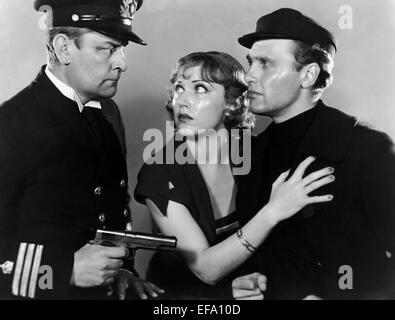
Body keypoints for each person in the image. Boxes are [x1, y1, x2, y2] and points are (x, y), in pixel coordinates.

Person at [134, 51, 335, 299]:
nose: (182, 101)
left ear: (232, 102)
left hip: (250, 286)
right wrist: (273, 212)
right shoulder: (160, 170)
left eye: (199, 88)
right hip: (183, 296)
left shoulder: (251, 149)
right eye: (179, 88)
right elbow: (206, 269)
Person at [0, 0, 162, 299]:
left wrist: (122, 270)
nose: (122, 63)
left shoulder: (107, 112)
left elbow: (112, 207)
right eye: (107, 48)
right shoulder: (10, 124)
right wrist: (66, 269)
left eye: (122, 48)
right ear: (63, 48)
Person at [232, 8, 395, 299]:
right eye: (251, 62)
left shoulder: (367, 149)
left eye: (265, 64)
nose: (249, 77)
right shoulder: (252, 152)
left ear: (308, 75)